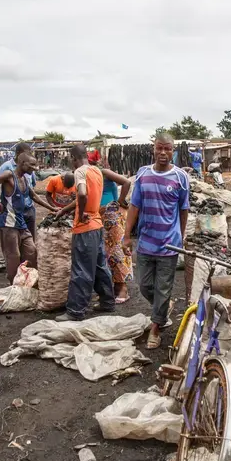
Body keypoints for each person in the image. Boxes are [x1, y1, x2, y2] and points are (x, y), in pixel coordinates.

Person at [124, 133, 190, 349]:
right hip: (146, 243)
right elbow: (134, 207)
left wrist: (180, 236)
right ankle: (162, 308)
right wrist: (126, 236)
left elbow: (183, 209)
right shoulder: (142, 174)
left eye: (168, 149)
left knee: (163, 288)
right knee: (144, 286)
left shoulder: (180, 177)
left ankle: (155, 328)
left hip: (169, 244)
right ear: (153, 149)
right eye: (159, 148)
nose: (163, 153)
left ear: (173, 151)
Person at [54, 145, 116, 321]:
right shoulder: (96, 170)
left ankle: (75, 311)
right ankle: (107, 302)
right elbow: (86, 196)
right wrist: (64, 210)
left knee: (81, 270)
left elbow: (82, 195)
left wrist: (80, 216)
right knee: (99, 266)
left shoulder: (79, 172)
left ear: (73, 157)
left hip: (84, 228)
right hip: (97, 225)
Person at [0, 154, 57, 282]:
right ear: (22, 163)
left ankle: (29, 284)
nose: (35, 168)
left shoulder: (24, 179)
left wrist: (52, 208)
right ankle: (15, 287)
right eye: (32, 165)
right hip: (8, 224)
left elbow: (34, 196)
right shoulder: (9, 175)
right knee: (13, 257)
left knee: (32, 252)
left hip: (21, 223)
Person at [97, 164, 133, 303]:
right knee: (106, 253)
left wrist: (119, 201)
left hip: (112, 216)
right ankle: (115, 287)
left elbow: (126, 182)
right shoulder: (91, 175)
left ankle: (123, 288)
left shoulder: (104, 172)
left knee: (117, 251)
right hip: (101, 217)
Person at [0, 142, 38, 241]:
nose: (29, 157)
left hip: (29, 209)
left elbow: (32, 186)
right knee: (14, 242)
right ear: (18, 155)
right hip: (14, 212)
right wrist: (1, 201)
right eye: (26, 154)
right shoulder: (7, 168)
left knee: (30, 242)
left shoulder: (30, 167)